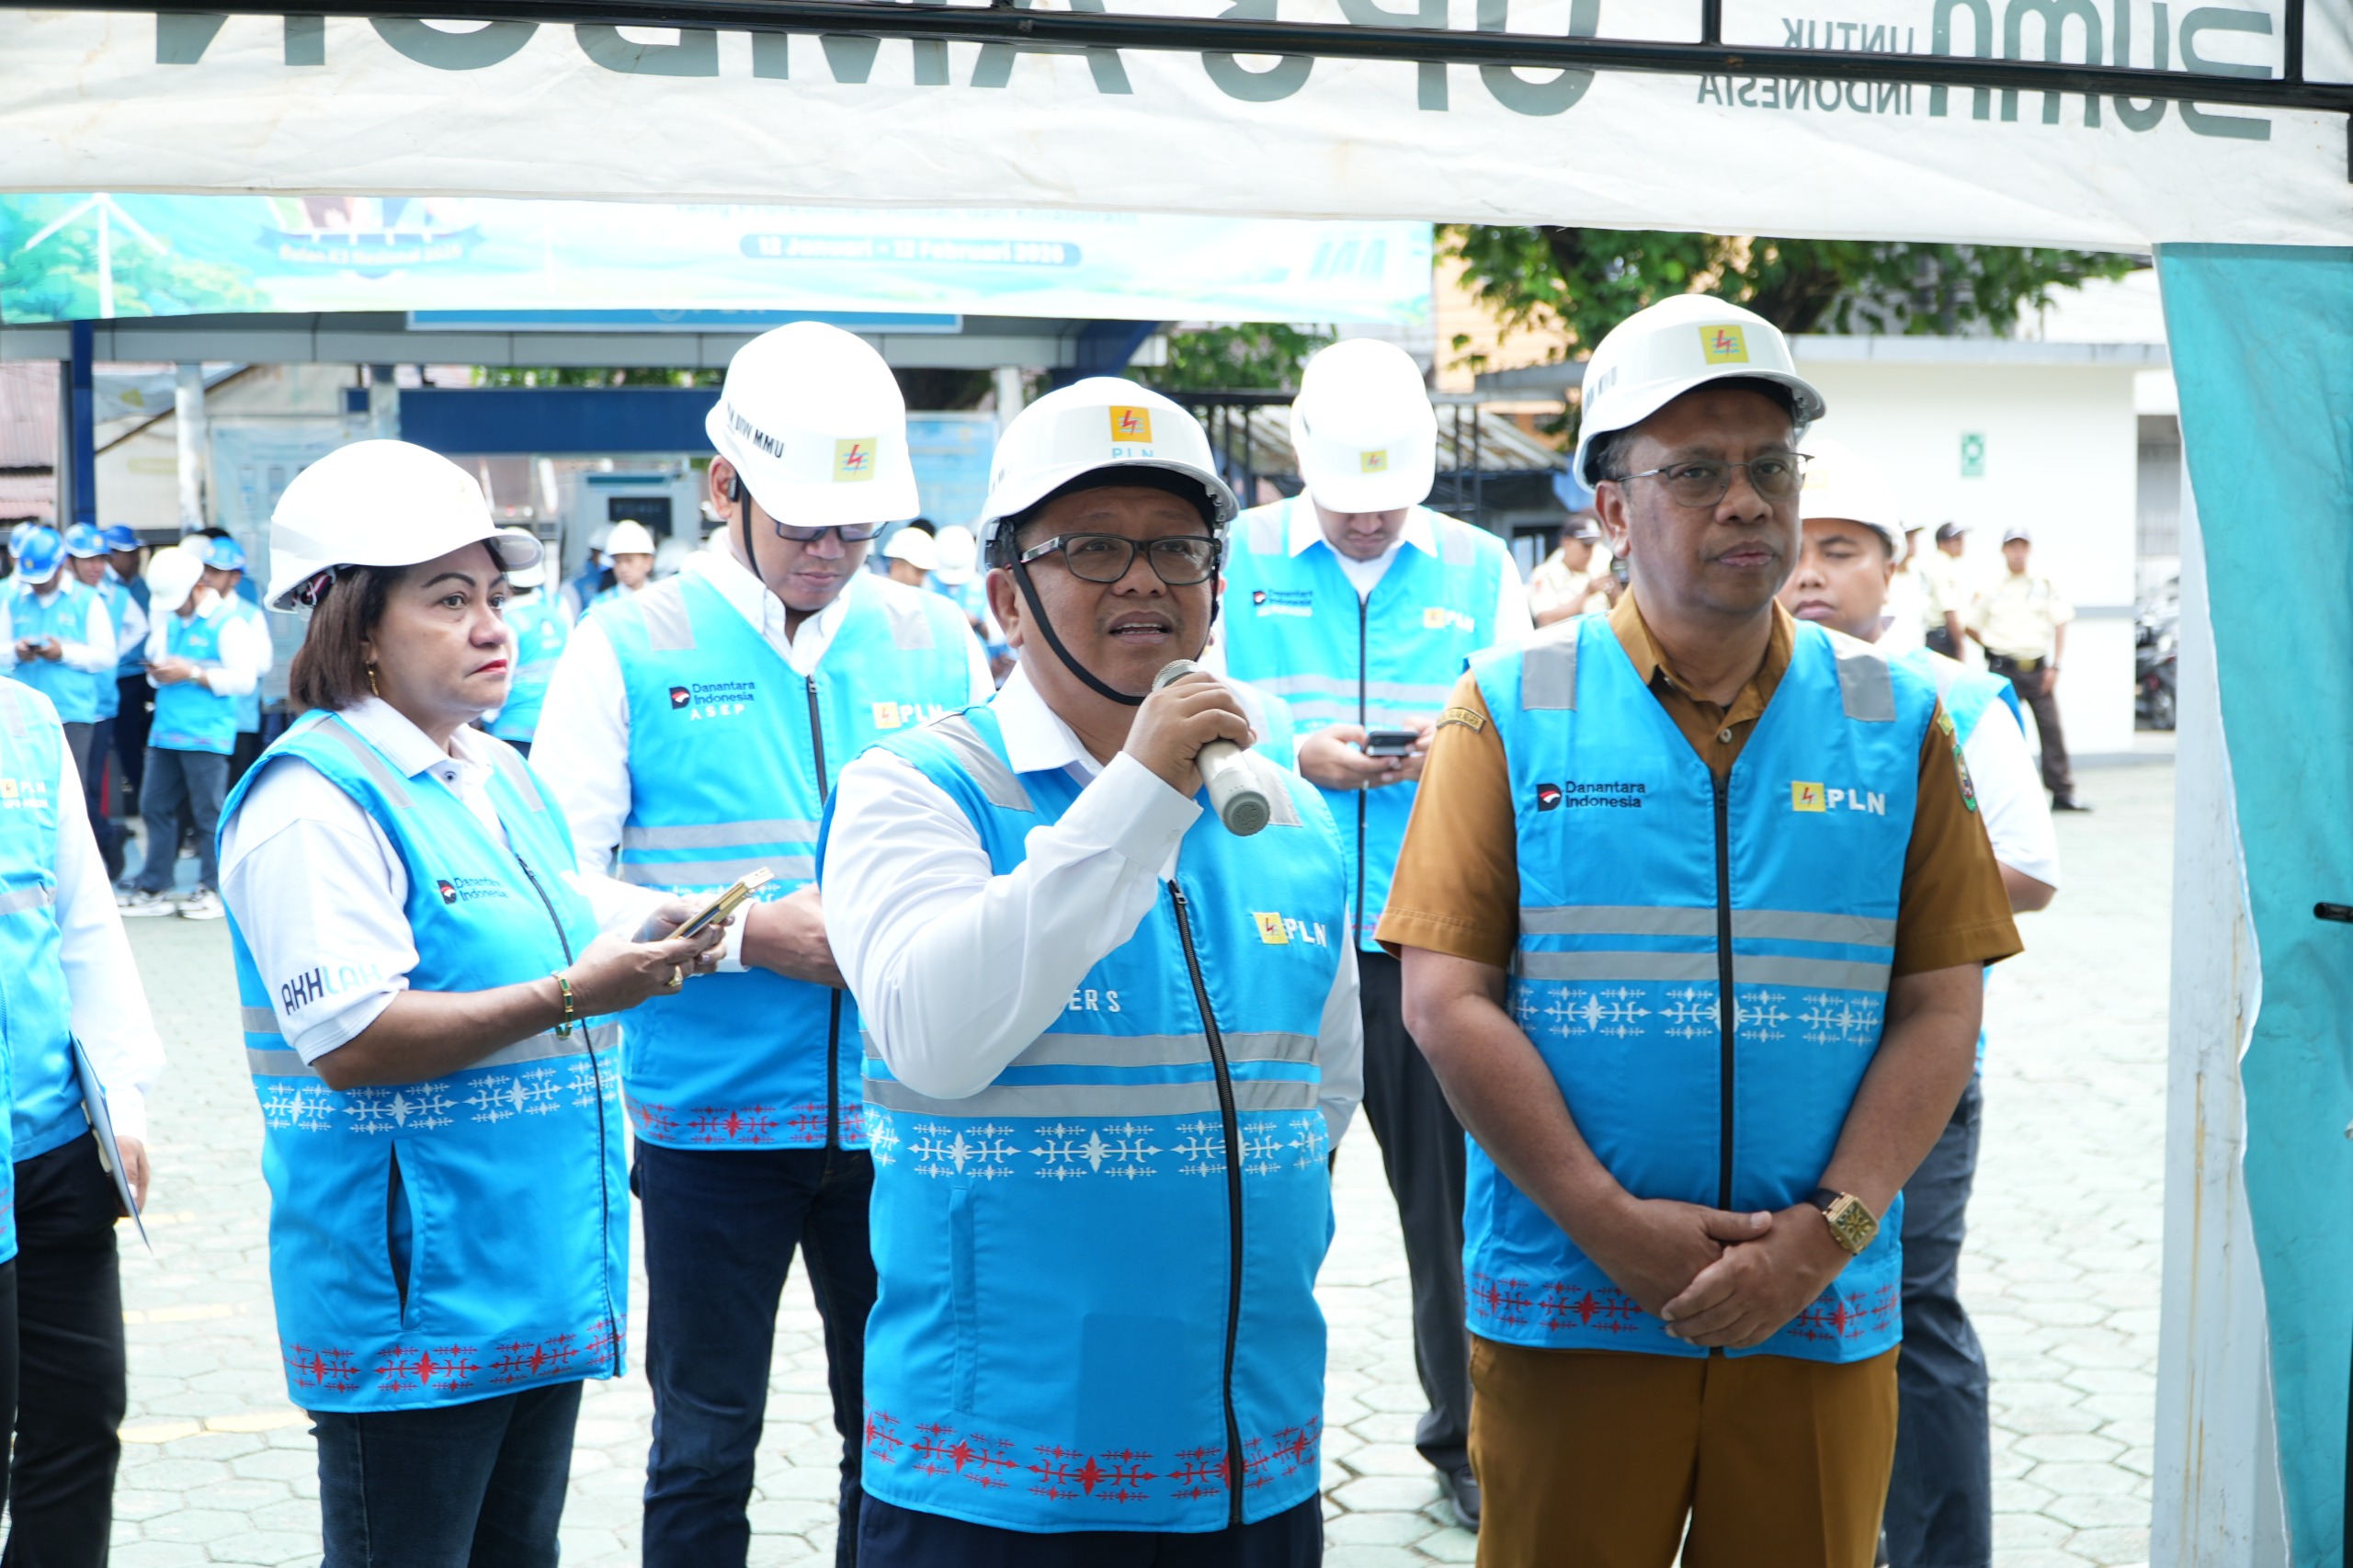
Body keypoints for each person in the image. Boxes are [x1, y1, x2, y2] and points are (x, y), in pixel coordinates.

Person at [1380, 294, 2021, 1568]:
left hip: (1813, 1310)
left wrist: (1825, 1237)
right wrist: (1608, 1221)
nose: (1746, 503)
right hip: (1571, 1303)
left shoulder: (1897, 719)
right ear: (1613, 510)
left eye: (1770, 468)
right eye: (1695, 471)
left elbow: (1941, 1009)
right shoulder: (1506, 706)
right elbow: (1444, 1000)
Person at [822, 375, 1362, 1566]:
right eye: (1094, 546)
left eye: (1177, 546)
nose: (1143, 580)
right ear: (1006, 598)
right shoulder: (917, 789)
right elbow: (935, 1037)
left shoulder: (1288, 811)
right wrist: (1137, 795)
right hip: (997, 1479)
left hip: (1250, 1454)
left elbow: (1318, 1097)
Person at [218, 437, 726, 1568]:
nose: (494, 626)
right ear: (354, 624)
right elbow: (353, 1038)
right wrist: (577, 991)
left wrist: (657, 922)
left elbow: (554, 914)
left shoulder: (497, 771)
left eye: (496, 597)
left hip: (533, 1271)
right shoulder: (311, 799)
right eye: (450, 600)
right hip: (417, 1298)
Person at [531, 323, 990, 1568]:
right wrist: (742, 935)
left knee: (896, 1438)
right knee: (703, 1438)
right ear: (724, 484)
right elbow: (557, 887)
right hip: (709, 1124)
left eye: (858, 529)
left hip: (906, 1113)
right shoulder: (628, 643)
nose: (831, 553)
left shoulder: (935, 639)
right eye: (805, 527)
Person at [1214, 335, 1529, 1530]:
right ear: (1300, 458)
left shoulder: (1480, 567)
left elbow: (1518, 720)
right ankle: (1233, 1438)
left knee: (1453, 1212)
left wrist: (1458, 750)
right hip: (1267, 935)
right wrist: (1291, 752)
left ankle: (1470, 1439)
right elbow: (1181, 703)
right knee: (1255, 1204)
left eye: (1387, 498)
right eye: (1346, 498)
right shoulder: (1234, 556)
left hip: (1427, 941)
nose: (1365, 519)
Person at [1777, 438, 2060, 1568]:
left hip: (1917, 1070)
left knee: (1909, 1301)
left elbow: (2029, 868)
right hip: (1783, 1067)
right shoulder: (1748, 685)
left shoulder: (1956, 696)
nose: (1809, 572)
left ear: (1892, 566)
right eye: (1796, 547)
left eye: (1840, 549)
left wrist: (1865, 887)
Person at [0, 657, 158, 1565]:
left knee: (82, 1418)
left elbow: (83, 918)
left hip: (54, 1141)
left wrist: (122, 1103)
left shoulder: (26, 719)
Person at [116, 541, 267, 921]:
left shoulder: (229, 623)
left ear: (197, 587)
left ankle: (212, 889)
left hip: (206, 735)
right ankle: (155, 886)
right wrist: (163, 670)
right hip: (166, 732)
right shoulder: (170, 619)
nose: (173, 607)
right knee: (154, 806)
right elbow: (157, 665)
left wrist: (193, 674)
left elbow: (245, 680)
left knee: (208, 814)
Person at [1967, 526, 2086, 812]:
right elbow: (1970, 625)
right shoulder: (1992, 587)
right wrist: (1991, 647)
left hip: (2037, 669)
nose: (2017, 553)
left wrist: (2056, 666)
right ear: (2004, 551)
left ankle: (2062, 792)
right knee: (2002, 733)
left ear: (2029, 550)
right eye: (2012, 547)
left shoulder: (2043, 585)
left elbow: (2061, 621)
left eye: (2022, 546)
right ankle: (2005, 794)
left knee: (2051, 729)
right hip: (2003, 669)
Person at [0, 528, 116, 788]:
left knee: (70, 790)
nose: (36, 585)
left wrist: (63, 653)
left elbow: (107, 656)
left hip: (72, 714)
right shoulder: (14, 600)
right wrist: (15, 651)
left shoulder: (87, 600)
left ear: (61, 566)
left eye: (42, 578)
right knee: (28, 789)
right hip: (25, 714)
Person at [63, 524, 142, 883]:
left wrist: (110, 654)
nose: (96, 566)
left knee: (89, 787)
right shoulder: (61, 595)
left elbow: (138, 628)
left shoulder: (116, 595)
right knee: (72, 789)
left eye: (100, 559)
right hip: (61, 704)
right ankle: (105, 841)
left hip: (100, 705)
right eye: (87, 560)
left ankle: (100, 850)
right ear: (69, 562)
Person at [188, 536, 276, 789]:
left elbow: (263, 664)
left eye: (216, 572)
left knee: (234, 790)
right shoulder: (194, 613)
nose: (207, 577)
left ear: (235, 577)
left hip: (239, 722)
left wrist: (223, 664)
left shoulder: (250, 614)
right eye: (206, 569)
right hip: (200, 723)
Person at [485, 528, 571, 757]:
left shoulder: (507, 623)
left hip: (513, 731)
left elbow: (500, 682)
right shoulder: (557, 615)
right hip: (554, 727)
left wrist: (484, 720)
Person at [103, 527, 152, 839]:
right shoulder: (104, 587)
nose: (134, 559)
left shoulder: (140, 585)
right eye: (128, 553)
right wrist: (112, 655)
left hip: (147, 673)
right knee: (128, 744)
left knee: (149, 735)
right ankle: (145, 801)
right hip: (119, 678)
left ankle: (154, 800)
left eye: (135, 553)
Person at [1525, 513, 1611, 627]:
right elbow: (1545, 619)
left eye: (1592, 546)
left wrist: (1615, 594)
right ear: (1567, 543)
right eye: (1586, 546)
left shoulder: (1598, 571)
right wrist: (1586, 593)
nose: (1589, 552)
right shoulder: (1546, 574)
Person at [1921, 523, 1970, 657]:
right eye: (1956, 540)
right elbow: (1949, 610)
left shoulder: (1938, 563)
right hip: (1943, 638)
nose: (1961, 543)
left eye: (1961, 539)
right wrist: (1960, 646)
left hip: (1940, 635)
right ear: (1942, 544)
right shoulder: (1942, 566)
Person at [589, 520, 657, 607]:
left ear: (648, 562)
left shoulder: (660, 600)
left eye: (629, 561)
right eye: (617, 561)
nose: (623, 568)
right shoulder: (601, 604)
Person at [882, 522, 936, 588]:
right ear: (896, 564)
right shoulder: (874, 591)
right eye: (919, 572)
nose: (921, 580)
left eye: (925, 573)